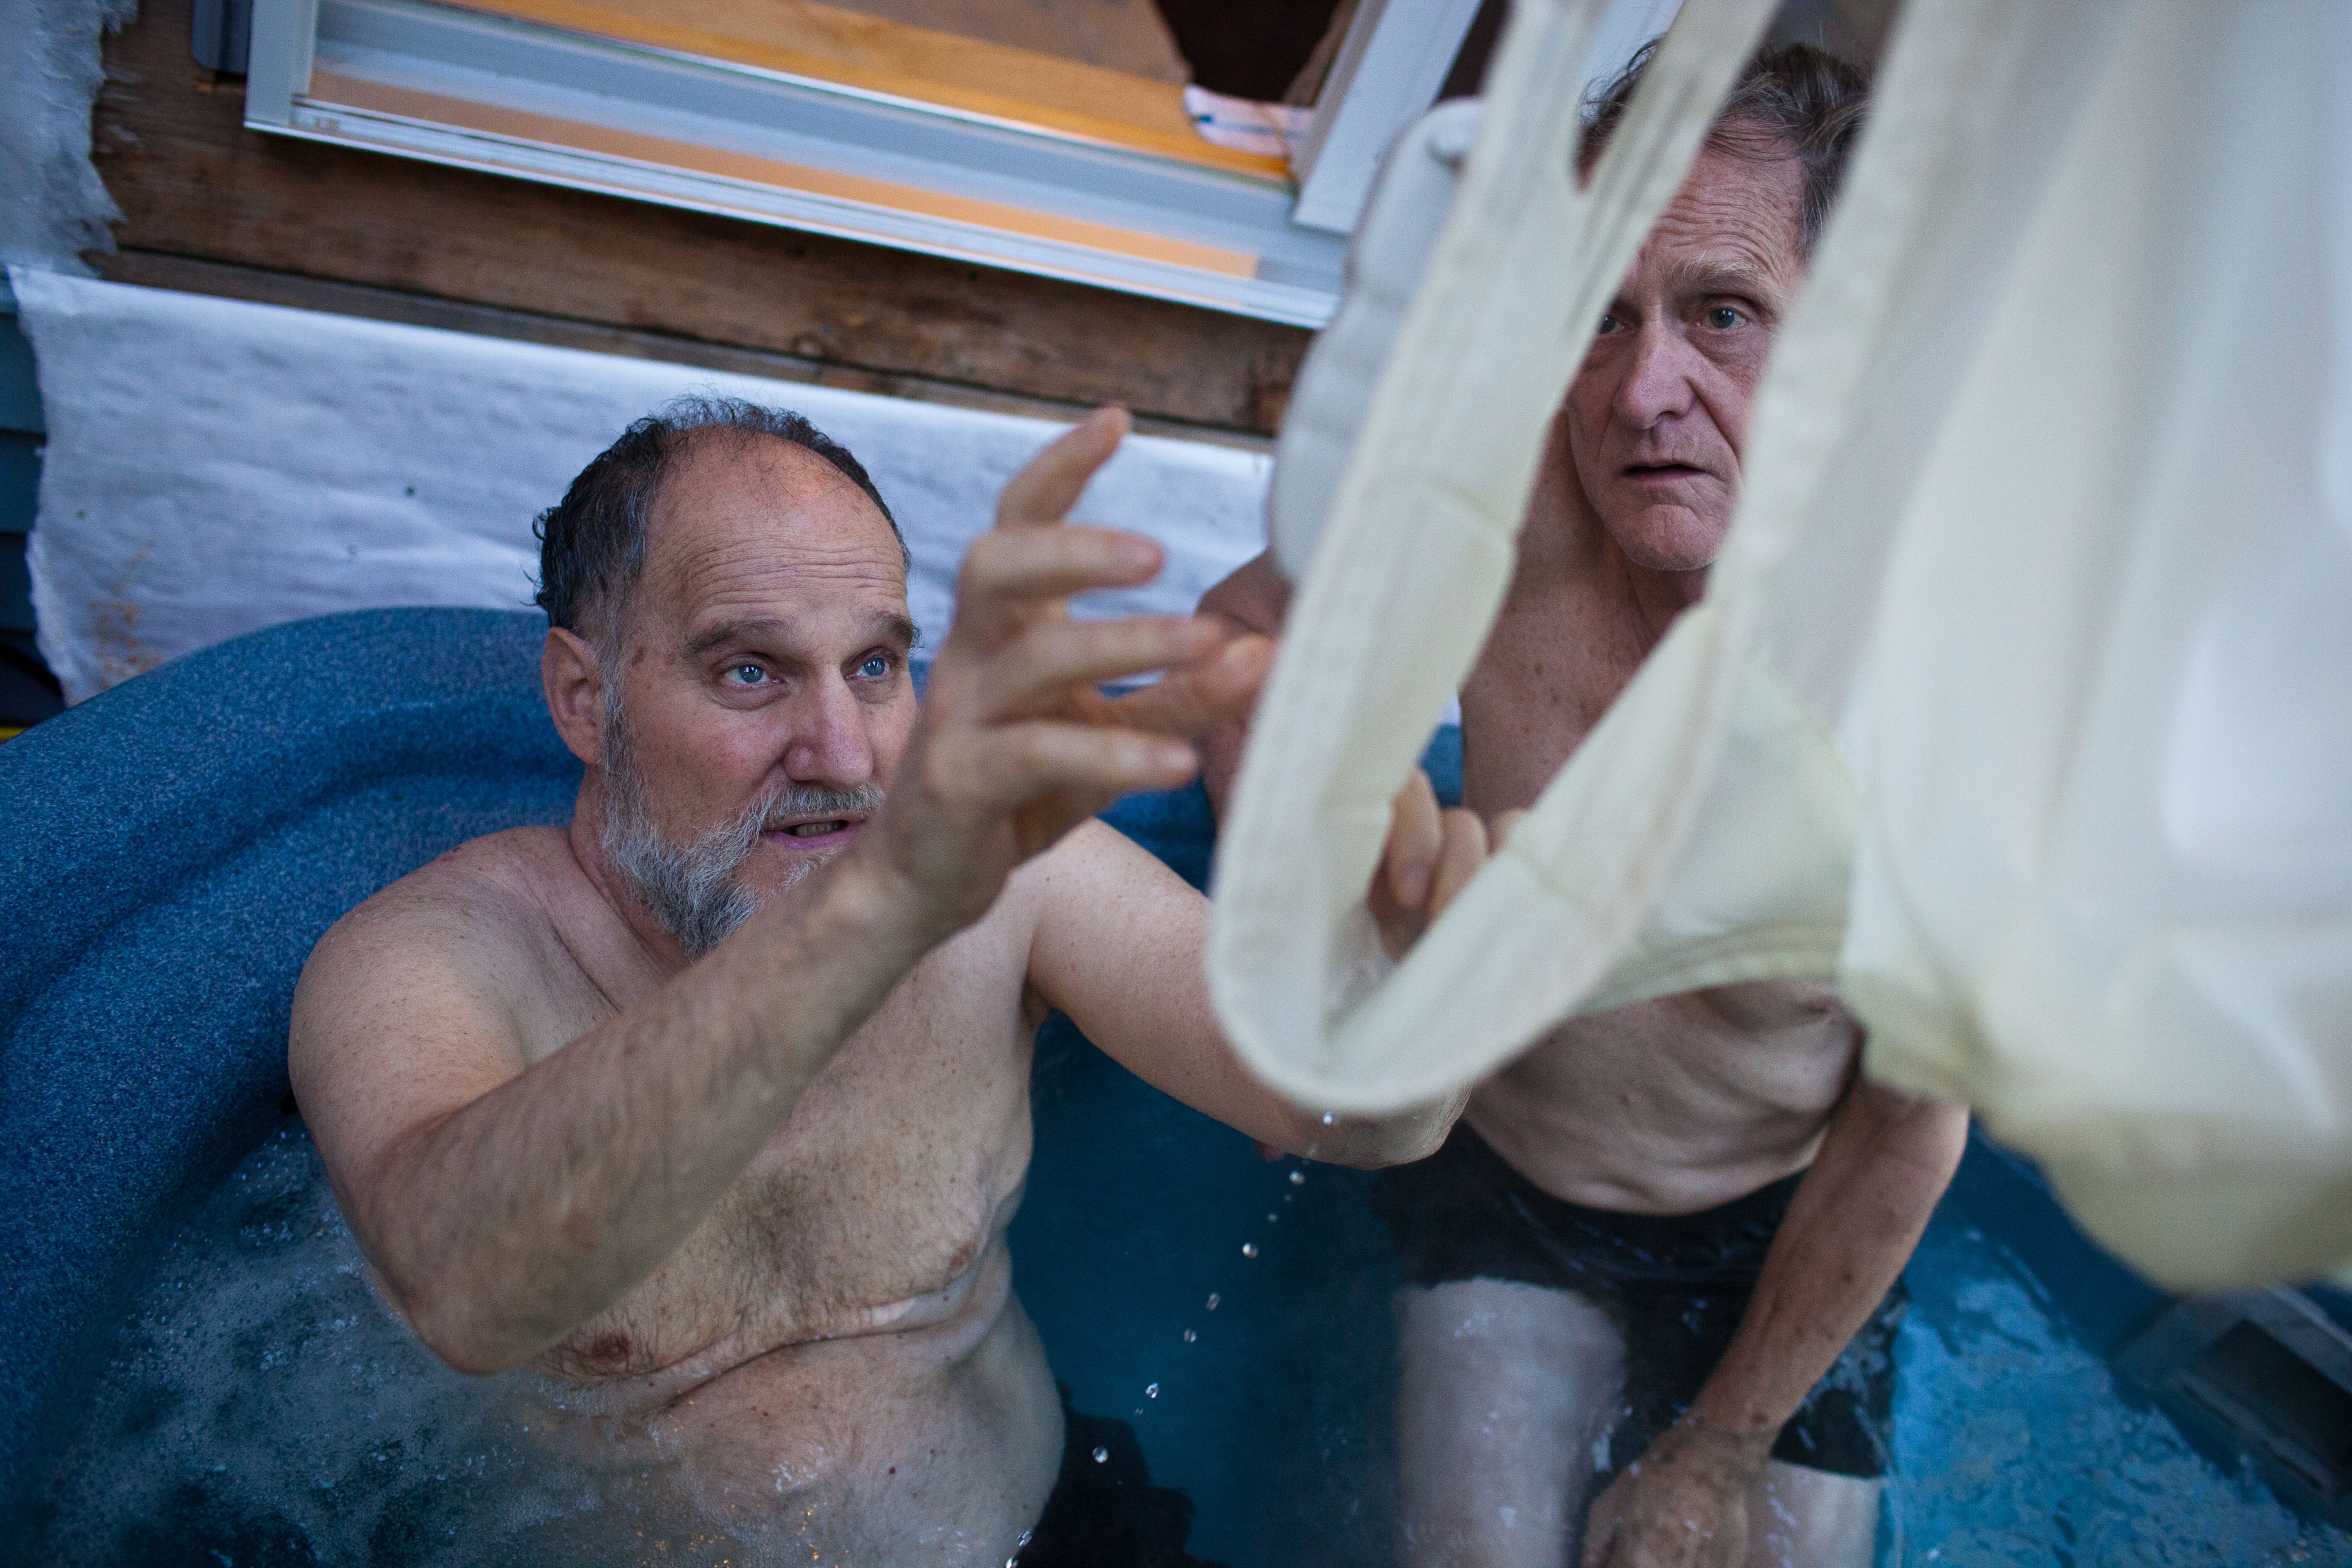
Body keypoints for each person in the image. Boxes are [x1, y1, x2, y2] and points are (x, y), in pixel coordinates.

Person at [288, 398, 1481, 1564]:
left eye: (872, 665)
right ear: (584, 700)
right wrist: (877, 904)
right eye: (750, 672)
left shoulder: (1002, 871)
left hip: (1050, 1532)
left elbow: (1370, 1117)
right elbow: (468, 1290)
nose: (843, 752)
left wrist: (1402, 983)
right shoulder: (435, 956)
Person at [1198, 44, 1971, 1568]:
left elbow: (1906, 1129)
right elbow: (1239, 651)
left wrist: (1719, 1447)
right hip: (1500, 1176)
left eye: (1722, 313)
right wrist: (1319, 943)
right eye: (1602, 316)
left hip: (1785, 1231)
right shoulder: (1505, 507)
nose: (1641, 392)